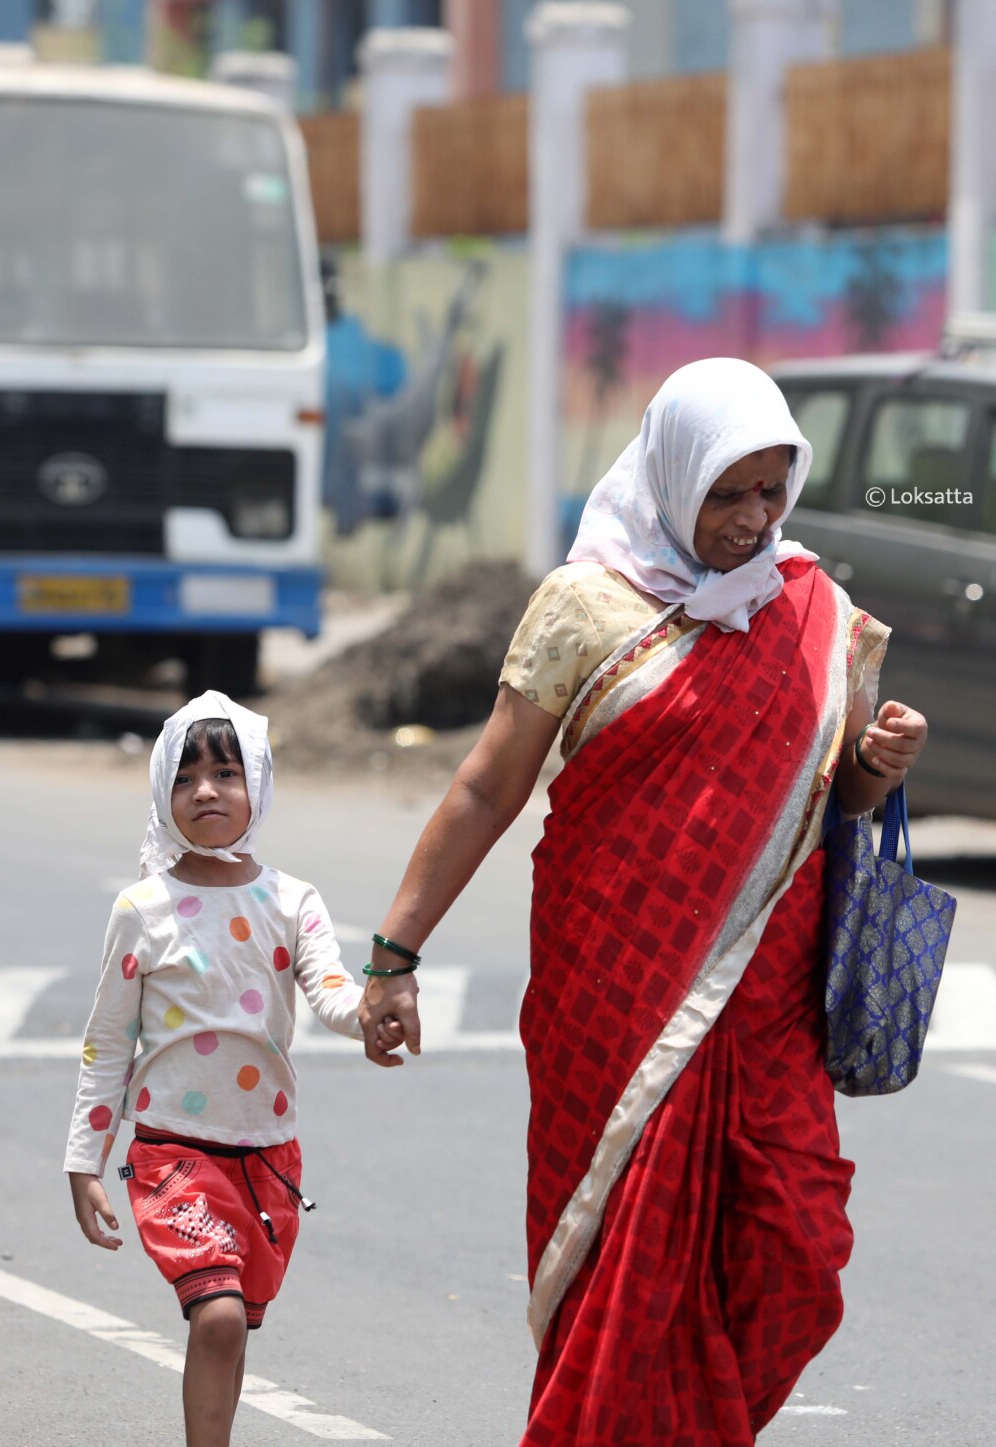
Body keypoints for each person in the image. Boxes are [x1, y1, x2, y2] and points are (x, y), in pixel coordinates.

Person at [359, 358, 928, 1446]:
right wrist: (394, 954)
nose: (752, 521)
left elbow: (836, 796)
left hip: (769, 1005)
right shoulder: (585, 606)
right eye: (726, 494)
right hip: (610, 992)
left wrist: (877, 762)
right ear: (673, 477)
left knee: (797, 1256)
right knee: (625, 1257)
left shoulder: (814, 609)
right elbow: (486, 786)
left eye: (771, 491)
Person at [65, 690, 365, 1447]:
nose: (207, 791)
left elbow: (331, 990)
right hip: (172, 1155)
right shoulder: (143, 906)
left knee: (230, 1329)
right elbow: (107, 1038)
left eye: (227, 773)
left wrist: (371, 1016)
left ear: (256, 785)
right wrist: (85, 1161)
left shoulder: (294, 900)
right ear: (163, 793)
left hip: (268, 1157)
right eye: (187, 776)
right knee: (220, 1312)